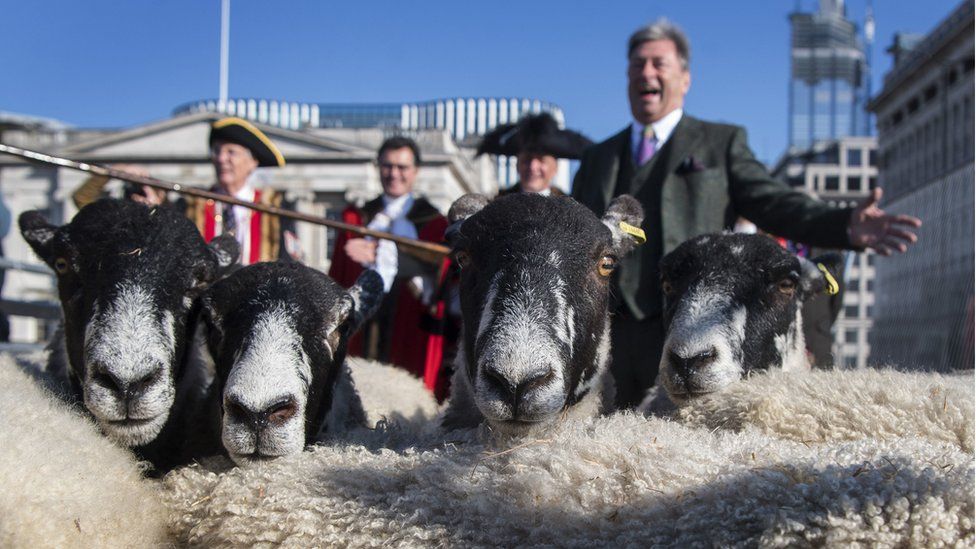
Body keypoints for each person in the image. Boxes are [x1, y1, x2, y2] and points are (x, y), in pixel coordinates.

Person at [571, 20, 922, 408]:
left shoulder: (721, 143)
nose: (646, 73)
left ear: (685, 78)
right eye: (637, 65)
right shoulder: (596, 158)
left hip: (695, 333)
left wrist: (841, 224)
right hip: (609, 338)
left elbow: (772, 201)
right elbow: (575, 242)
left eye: (658, 63)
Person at [328, 136, 451, 389]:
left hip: (411, 331)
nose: (394, 174)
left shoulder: (435, 224)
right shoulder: (355, 220)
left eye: (402, 167)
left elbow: (443, 271)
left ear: (415, 171)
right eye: (387, 166)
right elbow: (336, 281)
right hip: (360, 333)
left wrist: (382, 254)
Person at [184, 117, 301, 265]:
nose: (221, 159)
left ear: (252, 162)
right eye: (217, 151)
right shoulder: (193, 205)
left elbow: (290, 263)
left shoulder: (274, 209)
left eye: (231, 152)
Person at [477, 112, 592, 196]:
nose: (532, 166)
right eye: (527, 159)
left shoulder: (571, 209)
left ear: (555, 168)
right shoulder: (495, 205)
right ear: (517, 164)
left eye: (541, 160)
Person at [72, 164, 167, 210]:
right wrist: (116, 170)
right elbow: (82, 197)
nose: (140, 198)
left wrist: (156, 209)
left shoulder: (173, 218)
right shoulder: (114, 221)